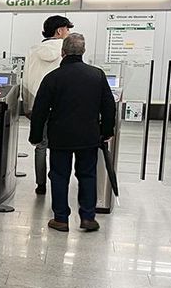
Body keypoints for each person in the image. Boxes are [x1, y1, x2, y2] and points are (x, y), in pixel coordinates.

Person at [29, 33, 116, 233]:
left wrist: (35, 136)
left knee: (59, 176)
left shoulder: (53, 78)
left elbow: (40, 110)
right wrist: (106, 131)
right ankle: (87, 218)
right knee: (87, 175)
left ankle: (60, 219)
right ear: (83, 52)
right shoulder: (97, 74)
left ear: (63, 52)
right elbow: (108, 105)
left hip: (60, 137)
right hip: (89, 136)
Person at [22, 15, 74, 195]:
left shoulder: (33, 51)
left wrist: (28, 107)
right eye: (68, 29)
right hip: (60, 107)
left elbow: (25, 80)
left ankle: (40, 184)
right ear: (60, 31)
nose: (68, 33)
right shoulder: (67, 51)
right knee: (59, 147)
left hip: (38, 104)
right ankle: (59, 184)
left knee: (40, 145)